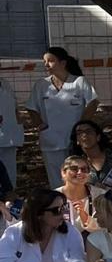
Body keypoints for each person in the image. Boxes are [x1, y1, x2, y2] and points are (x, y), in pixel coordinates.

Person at [25, 46, 99, 186]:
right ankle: (60, 206)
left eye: (51, 61)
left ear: (63, 63)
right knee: (56, 180)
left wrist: (81, 126)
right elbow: (31, 108)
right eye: (45, 61)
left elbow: (93, 103)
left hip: (75, 140)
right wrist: (40, 124)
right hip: (50, 139)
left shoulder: (79, 82)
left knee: (79, 176)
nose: (46, 64)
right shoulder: (41, 84)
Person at [71, 119, 112, 189]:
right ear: (77, 141)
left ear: (98, 137)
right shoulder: (75, 163)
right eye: (79, 133)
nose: (84, 135)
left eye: (88, 131)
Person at [0, 76, 22, 192]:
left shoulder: (5, 84)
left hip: (9, 138)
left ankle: (9, 206)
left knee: (9, 178)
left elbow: (14, 109)